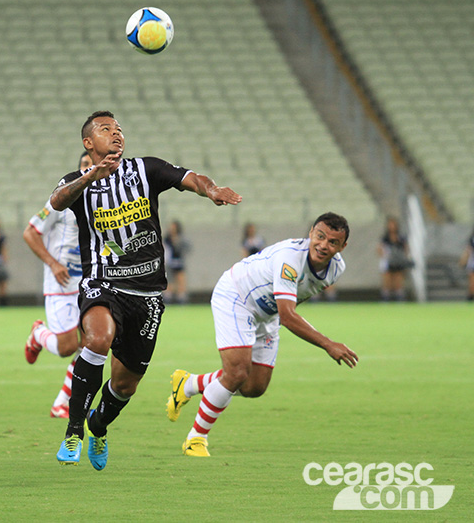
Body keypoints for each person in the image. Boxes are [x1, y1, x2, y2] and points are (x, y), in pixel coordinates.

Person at [51, 110, 242, 470]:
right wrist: (93, 175)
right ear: (88, 143)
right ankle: (74, 431)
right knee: (97, 338)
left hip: (148, 294)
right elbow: (58, 201)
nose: (117, 135)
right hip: (102, 283)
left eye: (119, 129)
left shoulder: (146, 170)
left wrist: (211, 189)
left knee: (125, 386)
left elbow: (190, 177)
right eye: (106, 130)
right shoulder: (76, 180)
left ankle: (97, 426)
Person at [166, 213, 358, 457]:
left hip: (268, 313)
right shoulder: (290, 259)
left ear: (343, 246)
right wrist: (328, 344)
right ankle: (196, 438)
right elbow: (288, 316)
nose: (323, 245)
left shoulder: (336, 268)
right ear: (310, 233)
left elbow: (291, 304)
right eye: (320, 237)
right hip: (237, 296)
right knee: (236, 372)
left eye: (333, 242)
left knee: (254, 387)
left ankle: (190, 383)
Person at [23, 152, 92, 419]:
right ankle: (38, 334)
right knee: (66, 348)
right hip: (60, 284)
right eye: (84, 165)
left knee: (92, 345)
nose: (89, 169)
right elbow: (30, 232)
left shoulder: (106, 204)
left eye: (92, 164)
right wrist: (53, 263)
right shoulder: (60, 200)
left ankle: (61, 403)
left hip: (88, 284)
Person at [377, 216, 412, 301]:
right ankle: (385, 300)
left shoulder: (401, 238)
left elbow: (406, 248)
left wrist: (404, 258)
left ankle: (399, 301)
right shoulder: (385, 238)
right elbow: (379, 248)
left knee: (398, 283)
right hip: (388, 261)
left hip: (398, 261)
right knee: (387, 283)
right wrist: (384, 255)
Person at [163, 220, 190, 304]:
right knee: (169, 279)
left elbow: (187, 248)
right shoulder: (167, 239)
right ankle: (168, 296)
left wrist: (178, 244)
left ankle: (181, 296)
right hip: (169, 262)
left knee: (180, 279)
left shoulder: (181, 238)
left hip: (179, 261)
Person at [460, 225, 474, 301]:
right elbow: (468, 250)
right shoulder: (472, 239)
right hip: (472, 264)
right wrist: (463, 260)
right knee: (472, 283)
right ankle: (470, 298)